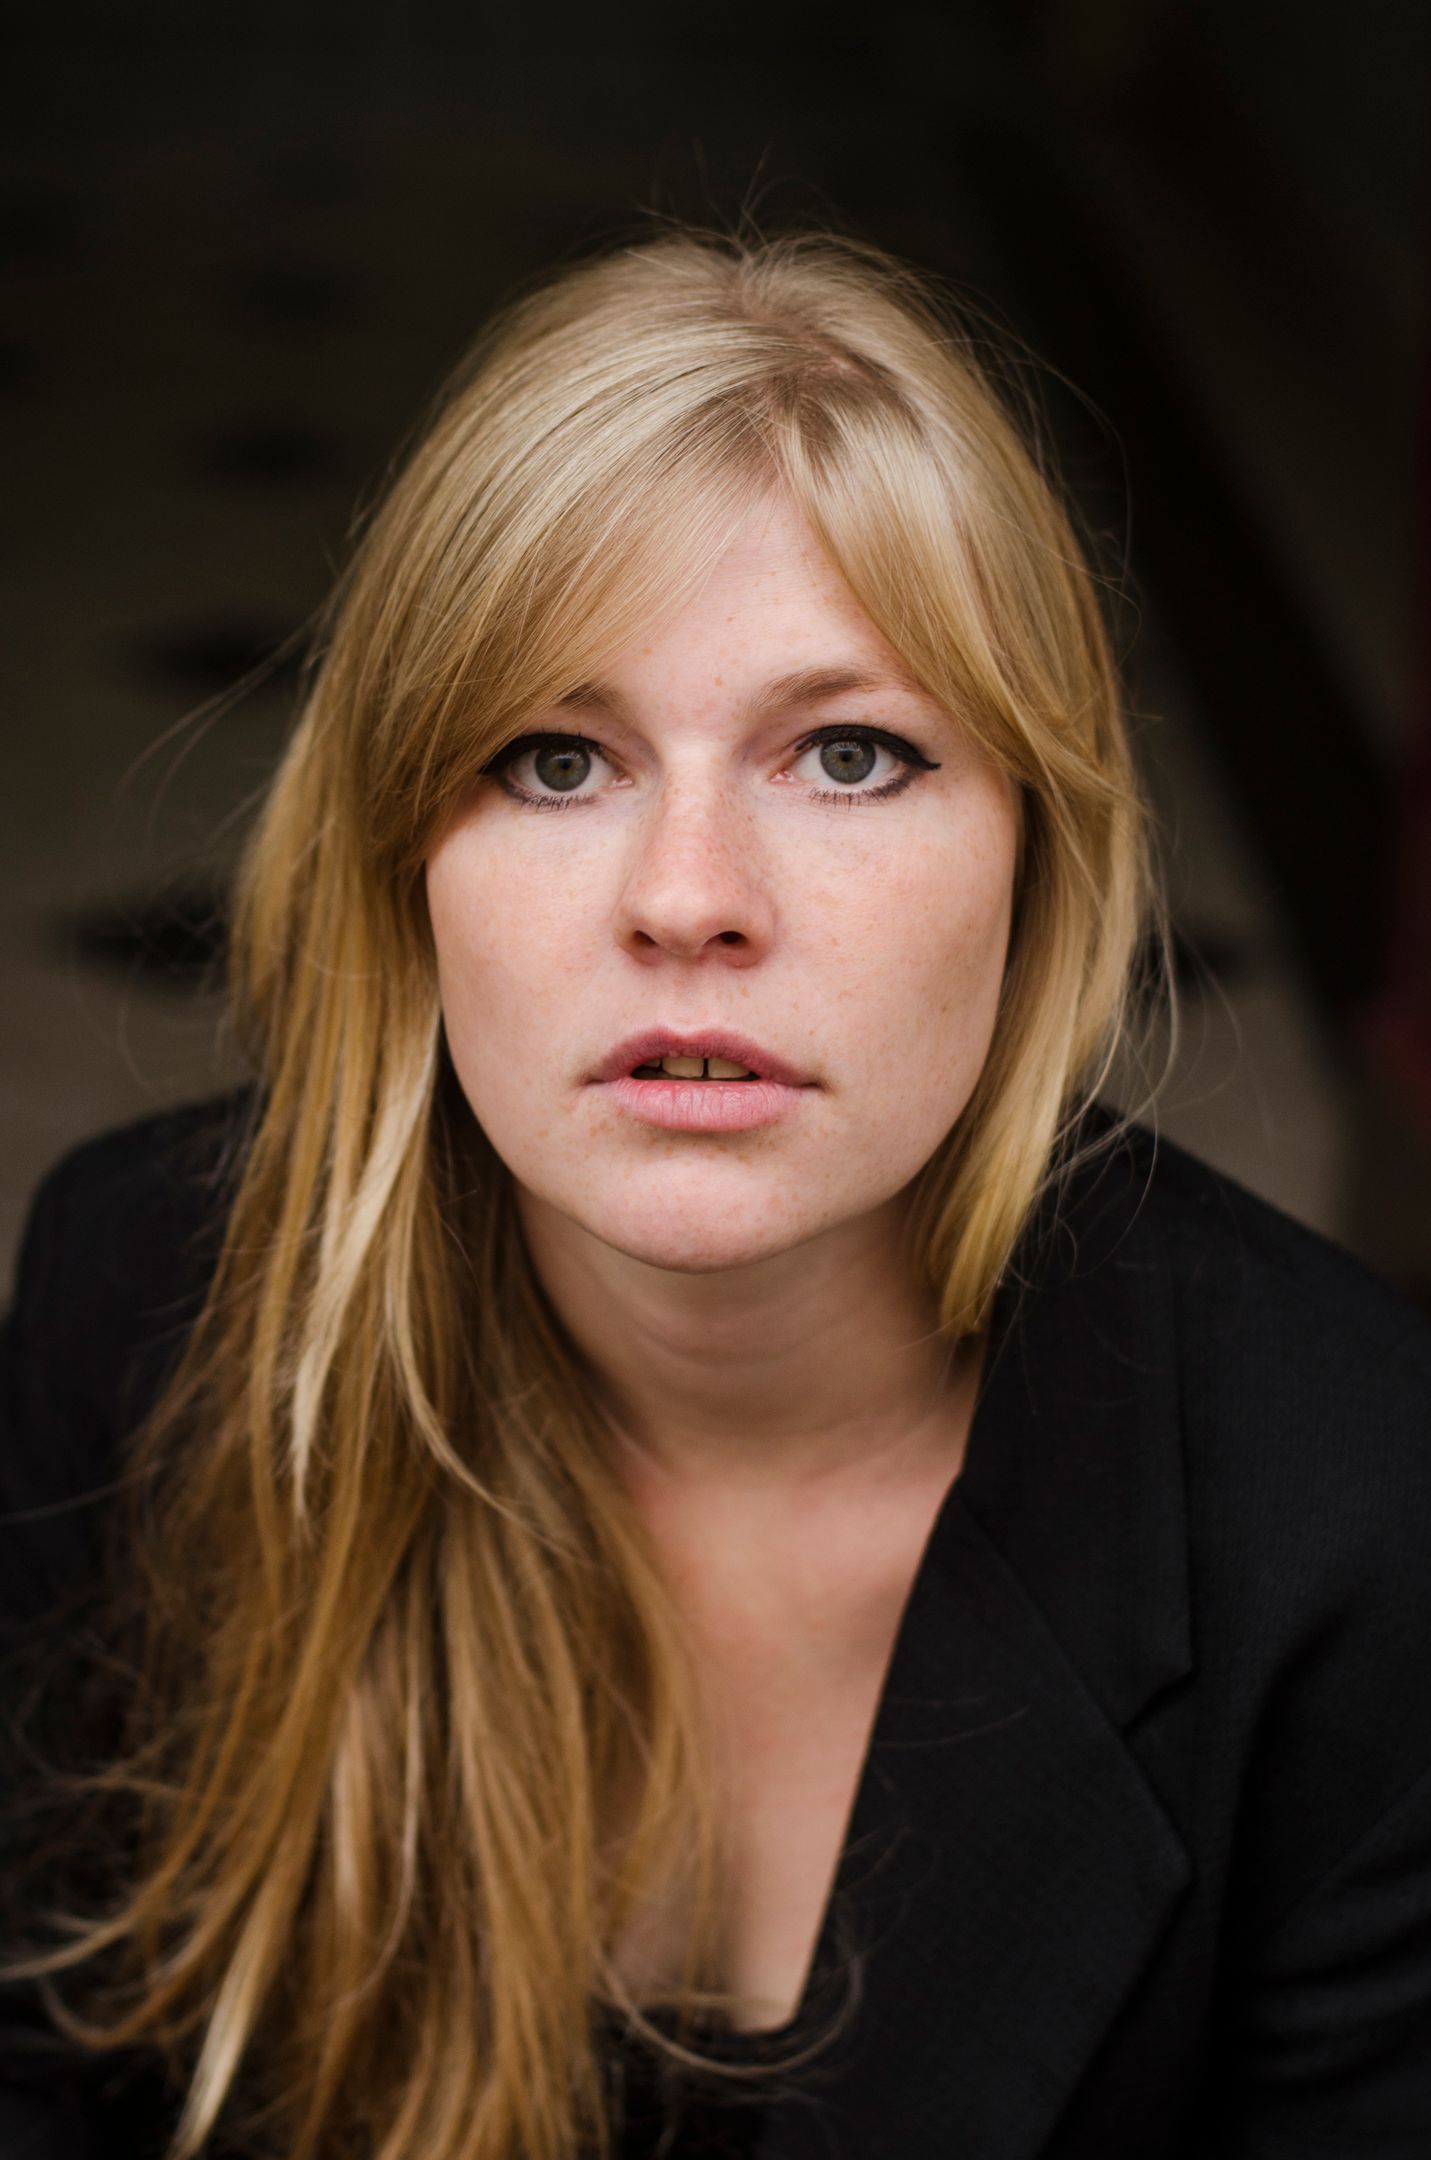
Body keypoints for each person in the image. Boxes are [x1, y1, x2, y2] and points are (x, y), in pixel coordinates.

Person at [2, 225, 1429, 2160]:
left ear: (1041, 857)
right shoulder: (140, 1298)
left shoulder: (1355, 1506)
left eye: (848, 755)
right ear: (402, 867)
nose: (688, 897)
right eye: (554, 759)